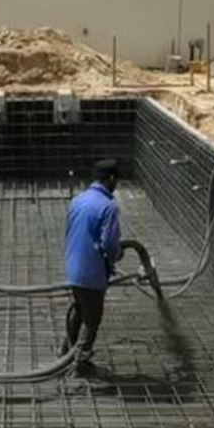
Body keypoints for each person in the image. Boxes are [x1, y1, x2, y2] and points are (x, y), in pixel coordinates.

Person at [59, 159, 123, 371]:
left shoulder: (78, 199)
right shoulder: (108, 206)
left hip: (73, 266)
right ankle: (79, 362)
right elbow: (110, 244)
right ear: (111, 179)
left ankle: (65, 352)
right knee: (92, 319)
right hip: (91, 271)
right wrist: (115, 257)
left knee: (79, 308)